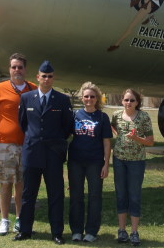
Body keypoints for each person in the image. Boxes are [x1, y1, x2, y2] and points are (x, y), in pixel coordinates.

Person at [14, 60, 73, 245]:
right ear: (37, 77)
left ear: (53, 79)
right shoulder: (26, 98)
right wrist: (35, 139)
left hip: (53, 153)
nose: (46, 79)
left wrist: (54, 141)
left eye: (50, 76)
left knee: (55, 194)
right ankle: (25, 230)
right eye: (43, 76)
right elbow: (23, 123)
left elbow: (67, 127)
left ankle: (57, 232)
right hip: (32, 152)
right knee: (28, 194)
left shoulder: (62, 100)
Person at [0, 53, 37, 236]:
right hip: (4, 145)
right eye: (13, 67)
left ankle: (20, 219)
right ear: (9, 69)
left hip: (27, 145)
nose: (17, 70)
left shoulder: (33, 89)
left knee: (22, 183)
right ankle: (4, 220)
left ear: (25, 69)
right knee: (5, 183)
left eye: (20, 67)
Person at [68, 82, 112, 243]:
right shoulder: (75, 115)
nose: (89, 99)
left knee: (95, 197)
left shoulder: (102, 117)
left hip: (95, 162)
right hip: (75, 162)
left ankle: (91, 231)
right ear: (82, 98)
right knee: (76, 196)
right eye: (86, 96)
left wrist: (106, 164)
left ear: (97, 99)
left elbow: (107, 142)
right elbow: (66, 135)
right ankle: (76, 231)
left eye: (92, 96)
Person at [110, 89, 155, 246]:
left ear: (137, 102)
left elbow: (150, 141)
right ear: (122, 101)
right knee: (121, 195)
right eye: (126, 100)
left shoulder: (143, 117)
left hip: (136, 161)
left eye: (132, 100)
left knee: (134, 196)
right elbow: (112, 126)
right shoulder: (116, 115)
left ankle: (134, 232)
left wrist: (136, 138)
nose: (128, 103)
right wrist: (119, 135)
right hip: (119, 160)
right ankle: (121, 231)